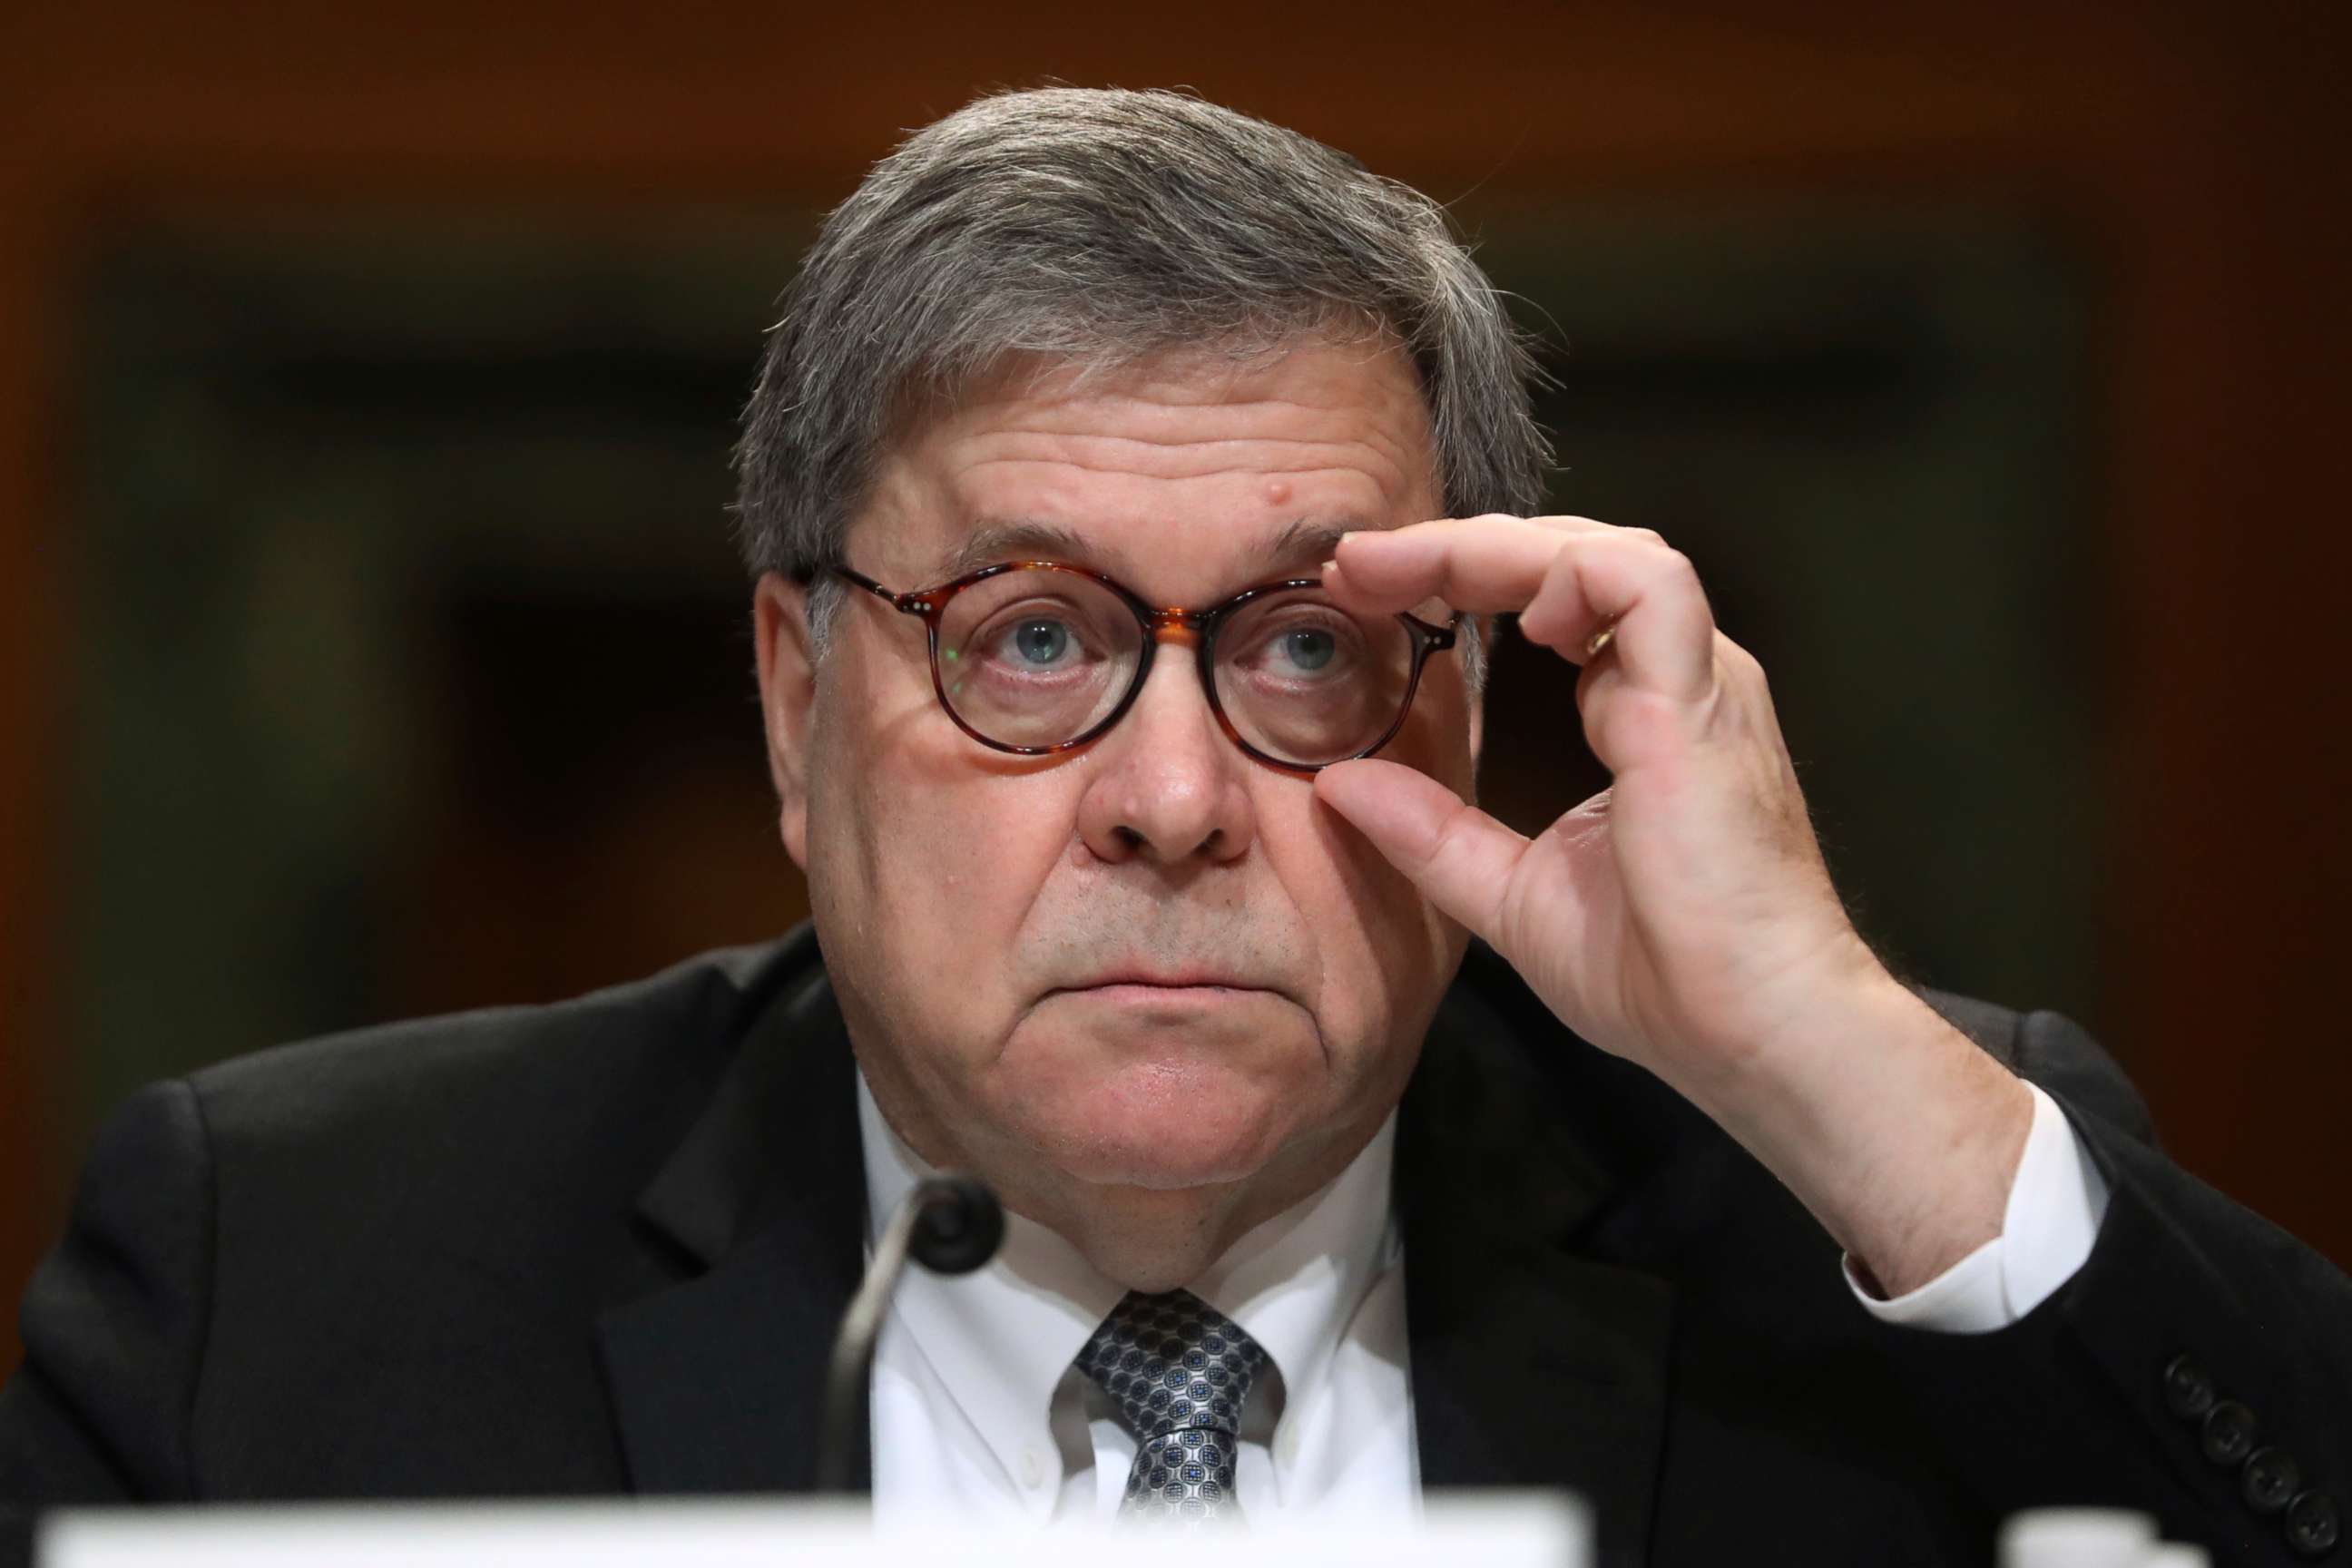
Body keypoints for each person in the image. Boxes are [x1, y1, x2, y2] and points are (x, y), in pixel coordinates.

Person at [3, 86, 2347, 1567]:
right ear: (800, 707)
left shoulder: (1847, 1215)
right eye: (1029, 640)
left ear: (1457, 708)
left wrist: (1837, 1057)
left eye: (1306, 647)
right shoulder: (289, 1271)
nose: (1170, 800)